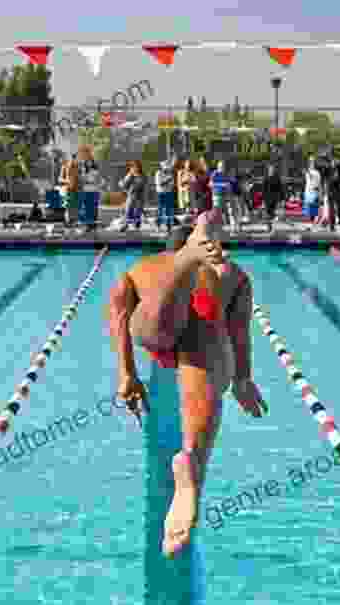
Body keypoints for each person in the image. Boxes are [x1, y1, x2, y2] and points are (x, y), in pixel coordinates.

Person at [106, 210, 267, 557]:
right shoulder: (232, 274)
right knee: (202, 407)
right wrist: (242, 379)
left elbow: (119, 307)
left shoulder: (142, 267)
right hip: (207, 326)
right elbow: (239, 332)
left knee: (155, 326)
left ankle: (182, 268)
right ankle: (191, 461)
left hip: (156, 318)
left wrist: (127, 373)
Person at [119, 160, 146, 231]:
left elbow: (141, 185)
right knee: (128, 211)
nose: (134, 168)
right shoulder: (130, 175)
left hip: (139, 197)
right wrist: (125, 182)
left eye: (136, 167)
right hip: (131, 196)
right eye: (132, 167)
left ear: (139, 167)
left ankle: (136, 224)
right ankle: (125, 225)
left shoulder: (142, 176)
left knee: (137, 211)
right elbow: (123, 185)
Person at [79, 160, 103, 231]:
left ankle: (93, 225)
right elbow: (81, 181)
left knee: (94, 209)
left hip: (94, 191)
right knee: (87, 209)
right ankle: (87, 225)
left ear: (92, 163)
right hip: (85, 191)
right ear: (85, 164)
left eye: (90, 162)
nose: (89, 164)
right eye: (87, 162)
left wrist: (97, 185)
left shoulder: (95, 172)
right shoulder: (83, 172)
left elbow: (100, 181)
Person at [209, 160, 233, 228]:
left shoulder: (226, 174)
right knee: (217, 211)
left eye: (223, 166)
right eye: (221, 166)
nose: (222, 167)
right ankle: (217, 226)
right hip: (217, 195)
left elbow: (229, 183)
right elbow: (210, 184)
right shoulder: (214, 173)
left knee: (227, 211)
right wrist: (222, 185)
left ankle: (226, 226)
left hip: (225, 195)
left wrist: (229, 186)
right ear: (218, 166)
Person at [262, 164, 284, 233]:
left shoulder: (277, 178)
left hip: (274, 199)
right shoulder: (266, 178)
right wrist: (263, 199)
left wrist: (282, 199)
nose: (271, 170)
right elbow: (263, 189)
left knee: (272, 214)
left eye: (272, 169)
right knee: (268, 214)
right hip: (267, 199)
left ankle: (271, 226)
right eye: (270, 169)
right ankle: (269, 227)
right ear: (268, 170)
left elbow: (280, 189)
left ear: (274, 170)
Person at [155, 159, 176, 234]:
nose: (167, 169)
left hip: (168, 193)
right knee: (160, 209)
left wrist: (169, 182)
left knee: (168, 210)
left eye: (168, 168)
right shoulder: (158, 173)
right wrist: (168, 180)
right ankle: (158, 225)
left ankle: (168, 227)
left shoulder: (170, 174)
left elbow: (172, 184)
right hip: (161, 193)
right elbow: (160, 183)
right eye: (165, 168)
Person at [326, 154, 340, 231]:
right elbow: (329, 179)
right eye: (334, 160)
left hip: (338, 190)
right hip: (331, 190)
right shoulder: (329, 168)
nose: (336, 161)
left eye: (337, 160)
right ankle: (332, 225)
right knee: (332, 209)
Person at [303, 157, 321, 223]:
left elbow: (317, 182)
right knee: (307, 210)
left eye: (312, 162)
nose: (311, 163)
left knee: (313, 209)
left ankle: (313, 222)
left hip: (314, 192)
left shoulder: (317, 173)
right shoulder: (307, 172)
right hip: (308, 191)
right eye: (310, 162)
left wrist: (318, 191)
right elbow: (308, 179)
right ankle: (310, 223)